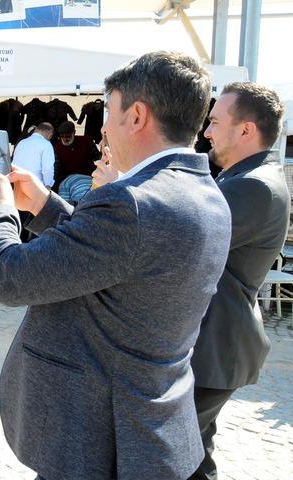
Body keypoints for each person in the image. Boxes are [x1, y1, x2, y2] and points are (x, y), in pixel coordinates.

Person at [0, 51, 231, 479]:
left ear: (137, 116)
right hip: (146, 426)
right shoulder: (204, 192)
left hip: (97, 436)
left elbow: (8, 277)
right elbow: (123, 258)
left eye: (109, 111)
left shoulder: (131, 201)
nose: (104, 127)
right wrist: (45, 204)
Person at [188, 83, 289, 480]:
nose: (207, 132)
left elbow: (181, 240)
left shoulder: (253, 186)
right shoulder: (248, 178)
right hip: (215, 345)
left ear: (246, 130)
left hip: (216, 346)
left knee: (170, 454)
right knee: (192, 458)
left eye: (214, 122)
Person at [52, 120, 100, 191]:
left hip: (88, 177)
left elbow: (97, 159)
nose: (65, 139)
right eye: (62, 136)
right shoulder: (57, 147)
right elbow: (57, 170)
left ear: (74, 132)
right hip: (67, 180)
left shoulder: (87, 141)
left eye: (68, 136)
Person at [11, 122, 55, 188]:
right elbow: (47, 169)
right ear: (50, 134)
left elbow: (14, 164)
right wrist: (48, 185)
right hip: (35, 187)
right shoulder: (46, 144)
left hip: (18, 186)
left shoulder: (21, 142)